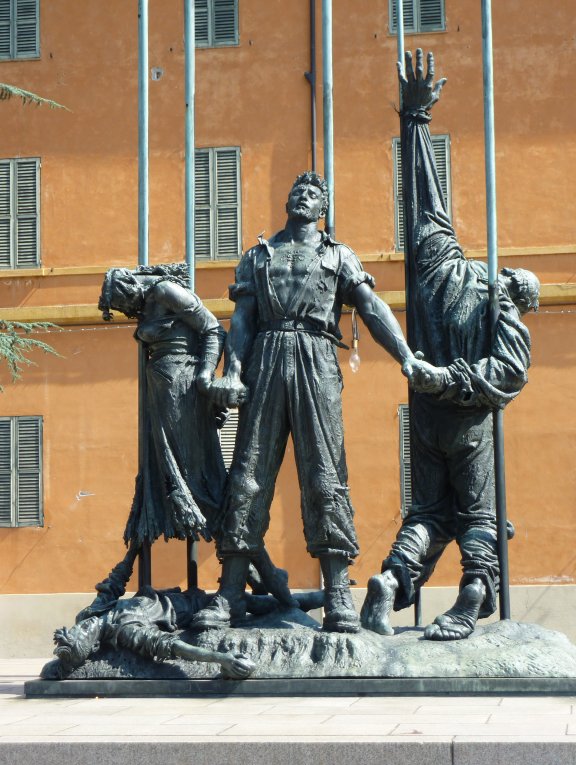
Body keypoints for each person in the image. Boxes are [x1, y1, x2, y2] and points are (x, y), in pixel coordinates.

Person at [360, 50, 540, 641]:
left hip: (425, 415)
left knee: (428, 514)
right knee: (479, 516)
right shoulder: (499, 303)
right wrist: (458, 379)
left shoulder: (436, 267)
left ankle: (392, 578)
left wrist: (415, 120)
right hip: (465, 419)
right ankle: (474, 594)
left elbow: (424, 202)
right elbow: (511, 370)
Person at [191, 171, 418, 635]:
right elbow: (242, 320)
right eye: (296, 190)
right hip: (267, 357)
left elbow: (372, 309)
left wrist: (407, 357)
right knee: (249, 474)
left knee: (325, 474)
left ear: (323, 209)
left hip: (316, 357)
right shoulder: (258, 256)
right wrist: (231, 370)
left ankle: (338, 594)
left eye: (312, 193)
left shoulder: (339, 256)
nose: (302, 196)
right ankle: (231, 592)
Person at [98, 265, 227, 546]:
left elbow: (214, 329)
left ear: (131, 287)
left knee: (194, 472)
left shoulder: (165, 291)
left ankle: (242, 553)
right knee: (165, 472)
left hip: (183, 388)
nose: (127, 311)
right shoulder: (147, 303)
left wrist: (206, 376)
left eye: (124, 304)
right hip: (161, 394)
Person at [43, 584, 325, 680]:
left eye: (76, 629)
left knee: (256, 601)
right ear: (91, 646)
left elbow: (114, 582)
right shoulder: (125, 631)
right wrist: (221, 659)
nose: (79, 628)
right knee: (254, 604)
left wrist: (133, 547)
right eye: (80, 635)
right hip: (191, 607)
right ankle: (312, 600)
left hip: (180, 596)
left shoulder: (91, 613)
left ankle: (312, 598)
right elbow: (172, 647)